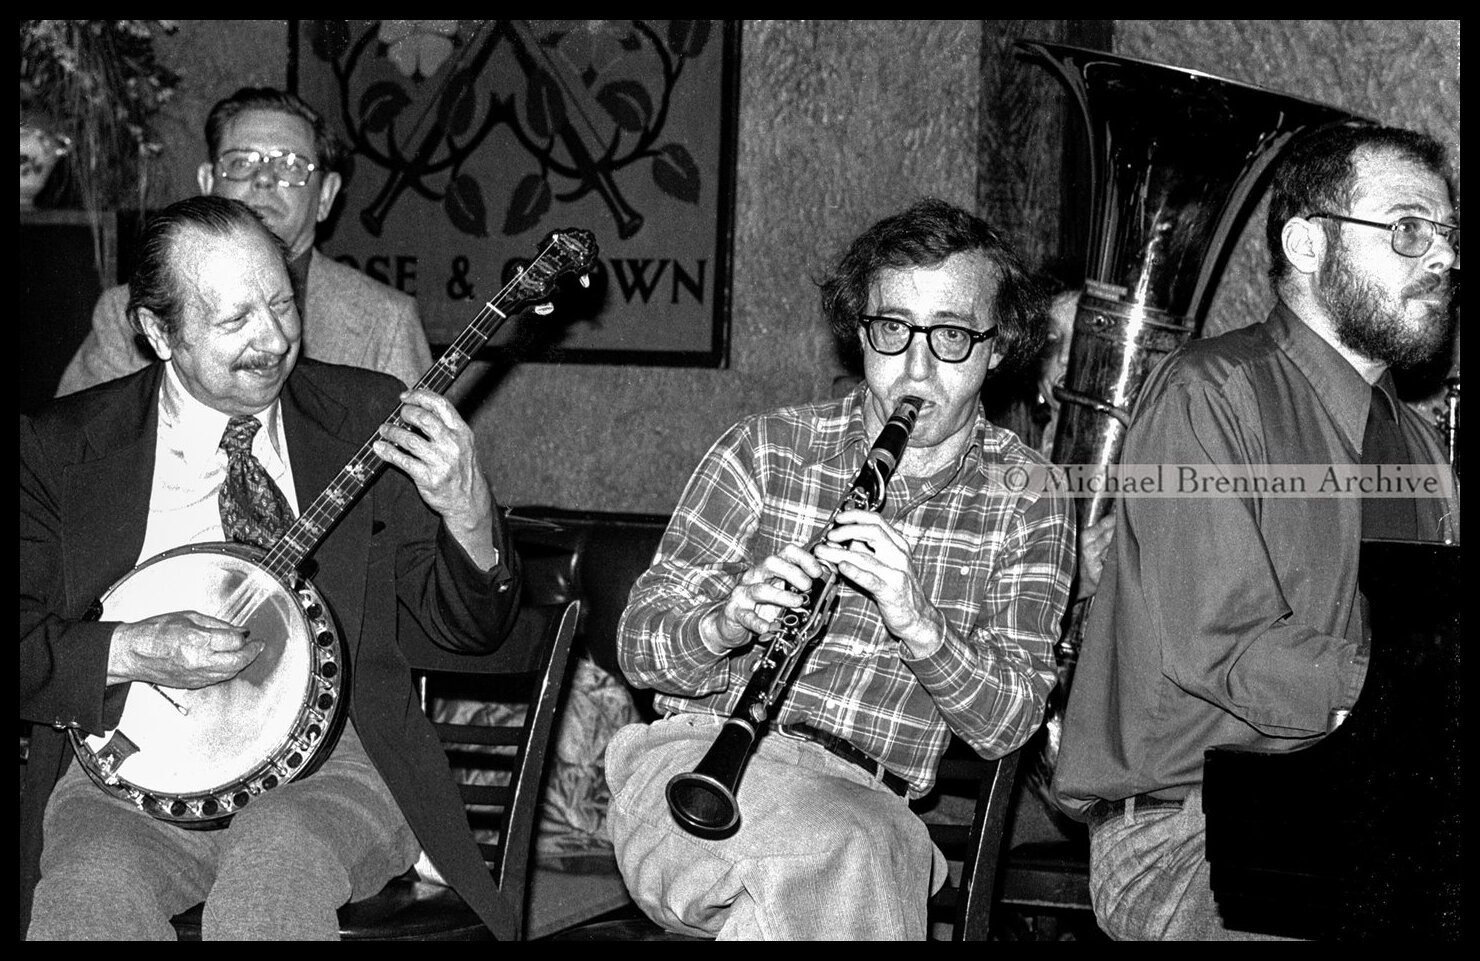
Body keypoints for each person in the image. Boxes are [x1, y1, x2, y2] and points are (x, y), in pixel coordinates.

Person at [21, 196, 521, 940]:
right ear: (160, 331)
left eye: (283, 304)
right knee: (89, 891)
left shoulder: (365, 414)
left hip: (339, 758)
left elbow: (469, 630)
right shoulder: (64, 446)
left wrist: (468, 509)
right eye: (234, 320)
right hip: (130, 765)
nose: (274, 338)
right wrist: (128, 648)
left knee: (274, 869)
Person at [605, 198, 1076, 940]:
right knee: (849, 857)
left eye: (951, 336)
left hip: (870, 799)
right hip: (693, 766)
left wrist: (921, 625)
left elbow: (1011, 722)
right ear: (862, 335)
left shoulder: (1031, 496)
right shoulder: (764, 450)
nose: (916, 367)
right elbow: (638, 646)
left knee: (838, 856)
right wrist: (724, 621)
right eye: (893, 330)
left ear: (997, 347)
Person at [1051, 122, 1460, 940]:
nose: (1444, 259)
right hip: (1185, 835)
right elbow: (1228, 648)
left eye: (1450, 237)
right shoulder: (1209, 394)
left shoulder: (1422, 448)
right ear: (1308, 243)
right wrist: (1421, 693)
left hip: (1374, 819)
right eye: (1411, 229)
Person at [57, 86, 432, 395]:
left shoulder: (386, 322)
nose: (264, 179)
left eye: (290, 165)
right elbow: (74, 463)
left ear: (326, 197)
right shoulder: (125, 316)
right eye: (241, 162)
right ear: (207, 184)